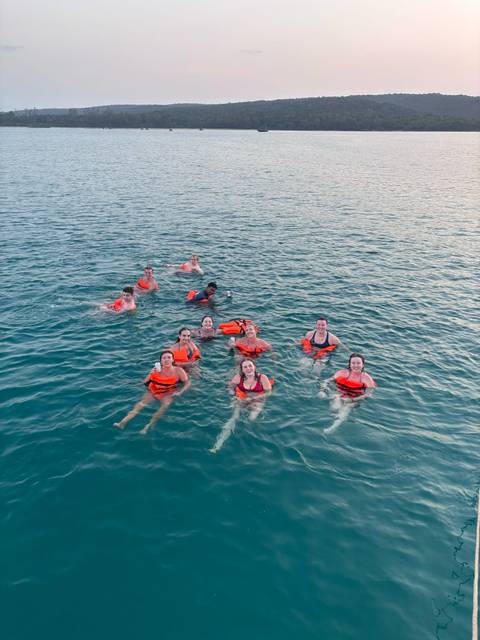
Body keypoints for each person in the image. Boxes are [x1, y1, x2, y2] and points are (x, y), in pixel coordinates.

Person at [114, 350, 190, 434]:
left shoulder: (178, 370)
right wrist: (151, 373)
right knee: (140, 404)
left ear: (173, 360)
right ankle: (122, 422)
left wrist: (180, 392)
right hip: (153, 390)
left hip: (168, 392)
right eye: (164, 358)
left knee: (164, 406)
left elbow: (187, 383)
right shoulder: (156, 370)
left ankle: (147, 426)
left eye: (169, 357)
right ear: (161, 361)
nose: (167, 359)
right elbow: (145, 383)